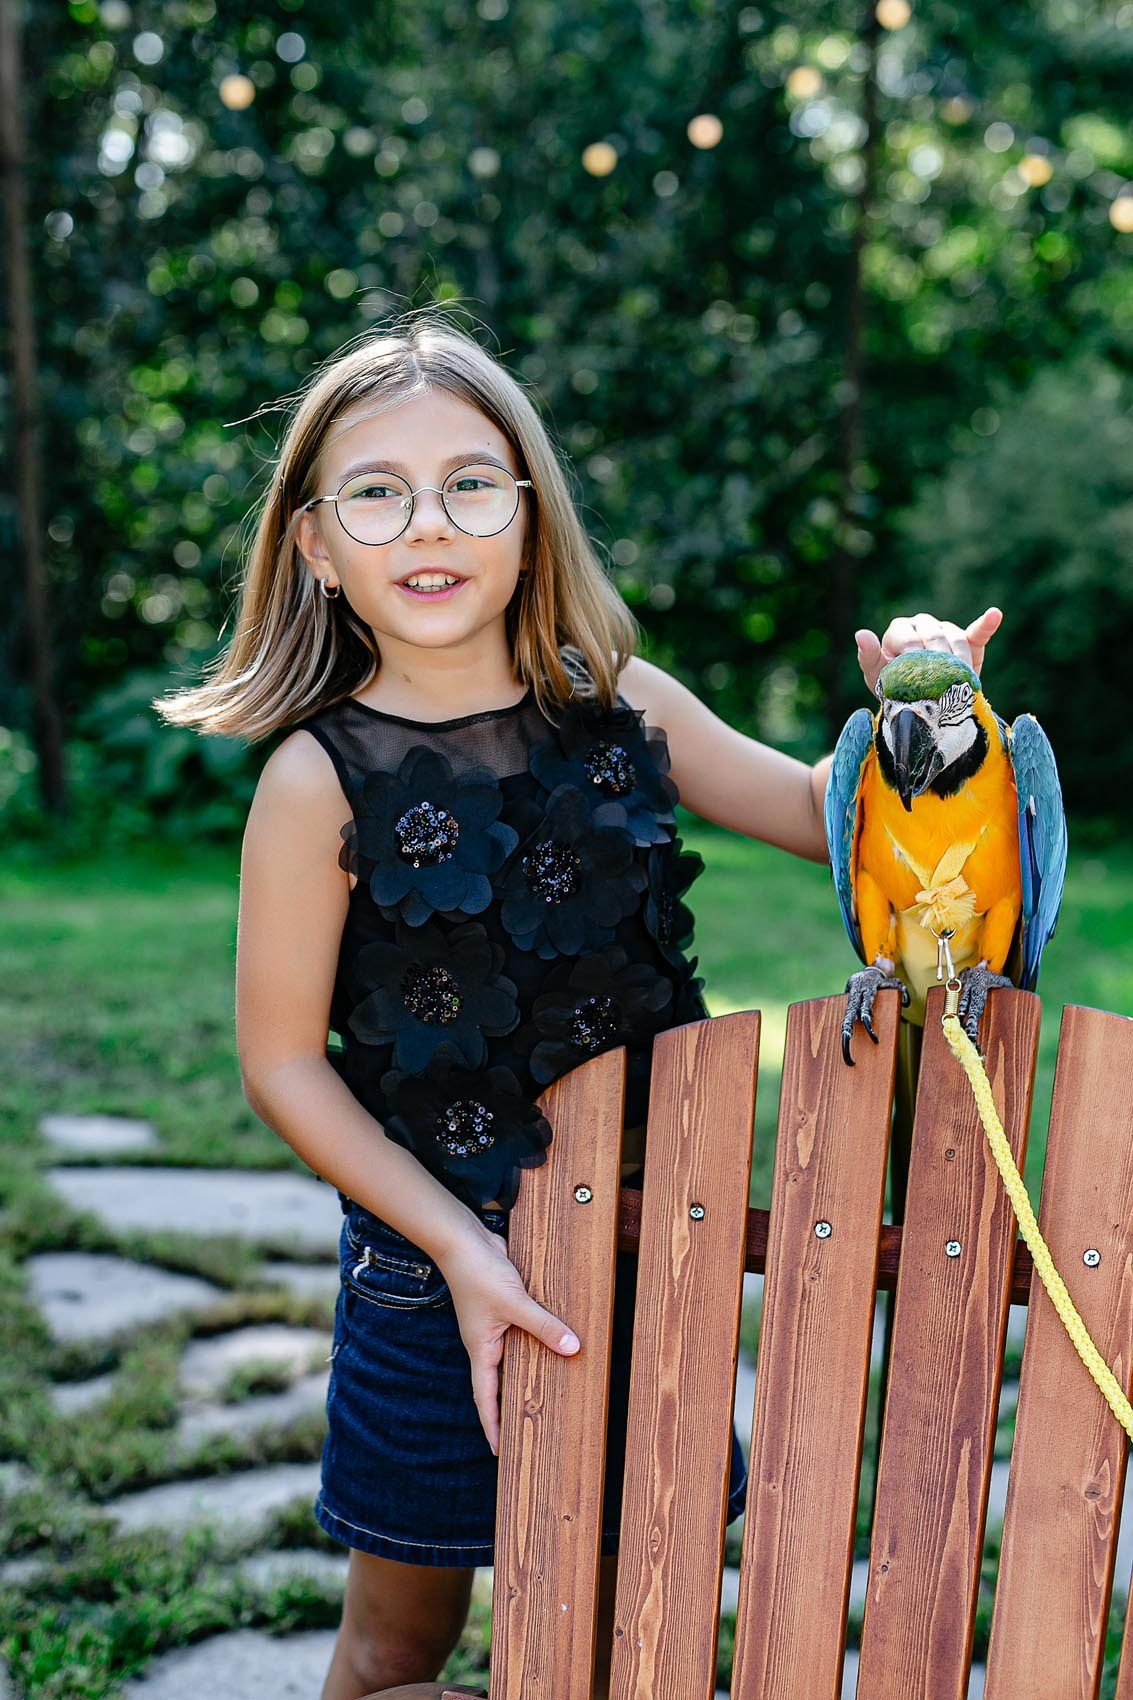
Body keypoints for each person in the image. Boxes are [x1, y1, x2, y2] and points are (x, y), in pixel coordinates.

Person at [159, 313, 1002, 1700]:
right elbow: (281, 1069)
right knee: (395, 1649)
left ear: (528, 513)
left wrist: (926, 718)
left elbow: (827, 814)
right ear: (314, 545)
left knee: (628, 1636)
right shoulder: (318, 782)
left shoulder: (625, 704)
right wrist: (458, 1254)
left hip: (644, 1248)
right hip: (434, 1270)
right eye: (375, 490)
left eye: (470, 481)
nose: (427, 520)